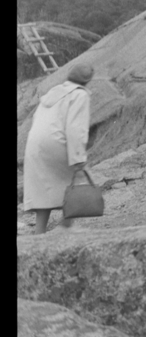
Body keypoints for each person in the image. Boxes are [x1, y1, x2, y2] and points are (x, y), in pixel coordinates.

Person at [23, 63, 94, 234]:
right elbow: (76, 128)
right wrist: (78, 157)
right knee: (74, 182)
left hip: (35, 143)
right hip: (57, 141)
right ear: (87, 80)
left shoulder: (52, 93)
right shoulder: (79, 95)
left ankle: (39, 232)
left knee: (43, 188)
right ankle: (67, 226)